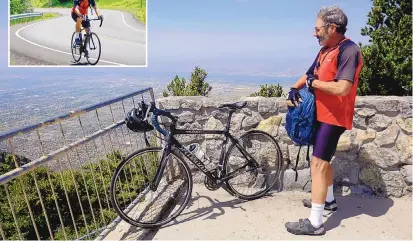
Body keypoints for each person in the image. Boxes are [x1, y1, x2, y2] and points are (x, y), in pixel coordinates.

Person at [285, 5, 363, 236]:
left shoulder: (349, 50)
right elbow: (309, 75)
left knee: (317, 164)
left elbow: (342, 88)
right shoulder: (326, 49)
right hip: (320, 115)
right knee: (323, 161)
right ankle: (328, 201)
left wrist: (313, 85)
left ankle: (316, 222)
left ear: (332, 27)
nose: (314, 33)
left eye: (317, 28)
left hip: (334, 117)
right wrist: (293, 87)